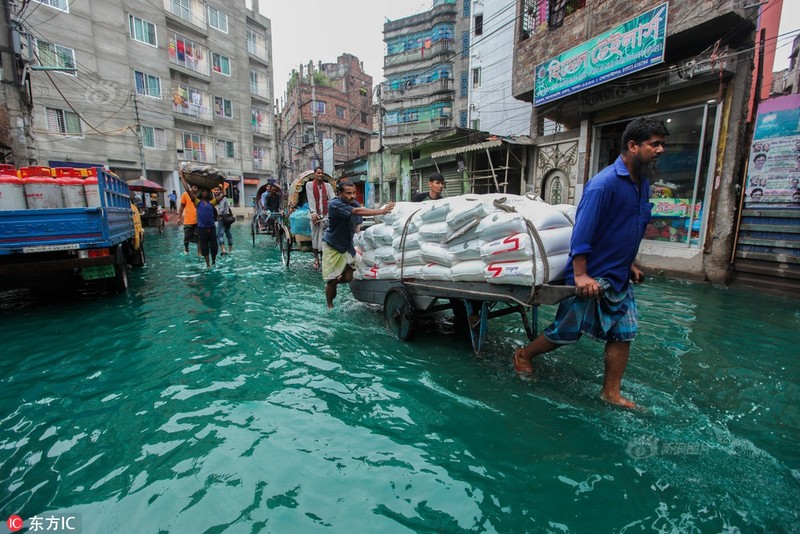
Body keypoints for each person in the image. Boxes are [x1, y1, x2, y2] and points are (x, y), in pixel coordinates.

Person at [512, 117, 669, 409]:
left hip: (618, 274)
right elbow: (583, 229)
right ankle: (523, 354)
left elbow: (629, 226)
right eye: (654, 144)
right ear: (633, 146)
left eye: (662, 144)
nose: (660, 149)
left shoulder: (642, 184)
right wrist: (580, 274)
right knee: (564, 332)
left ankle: (611, 392)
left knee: (624, 334)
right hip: (593, 275)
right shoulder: (604, 184)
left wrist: (631, 263)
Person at [322, 179, 395, 308]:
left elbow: (358, 216)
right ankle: (329, 305)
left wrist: (358, 231)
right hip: (333, 245)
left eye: (354, 193)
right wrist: (381, 211)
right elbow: (357, 212)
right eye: (349, 193)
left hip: (347, 245)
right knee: (331, 281)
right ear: (339, 193)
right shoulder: (334, 204)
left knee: (349, 277)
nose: (353, 196)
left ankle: (334, 282)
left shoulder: (353, 203)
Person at [180, 176, 225, 268]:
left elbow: (223, 194)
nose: (204, 193)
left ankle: (213, 262)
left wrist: (222, 183)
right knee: (204, 247)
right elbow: (188, 190)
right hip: (202, 228)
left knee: (214, 246)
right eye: (203, 191)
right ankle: (208, 264)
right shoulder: (197, 202)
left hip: (211, 227)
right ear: (201, 192)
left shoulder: (212, 202)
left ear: (208, 193)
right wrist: (182, 177)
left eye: (206, 191)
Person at [305, 167, 336, 270]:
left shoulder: (327, 186)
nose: (320, 175)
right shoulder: (309, 185)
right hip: (314, 215)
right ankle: (316, 259)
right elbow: (311, 199)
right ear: (314, 174)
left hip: (326, 215)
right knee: (314, 237)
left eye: (322, 173)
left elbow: (332, 199)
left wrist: (335, 209)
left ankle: (324, 259)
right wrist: (314, 212)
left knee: (325, 238)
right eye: (318, 173)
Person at [177, 183, 200, 255]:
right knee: (186, 237)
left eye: (197, 188)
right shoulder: (185, 194)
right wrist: (179, 218)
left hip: (198, 220)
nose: (196, 189)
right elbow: (181, 206)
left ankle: (199, 252)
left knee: (199, 237)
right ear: (191, 187)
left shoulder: (200, 195)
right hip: (188, 220)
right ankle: (186, 249)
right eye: (194, 187)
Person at [215, 186, 234, 255]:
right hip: (227, 218)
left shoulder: (222, 198)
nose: (216, 191)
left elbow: (222, 209)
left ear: (221, 191)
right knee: (228, 233)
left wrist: (218, 215)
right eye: (215, 190)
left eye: (218, 190)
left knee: (219, 235)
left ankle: (223, 250)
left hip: (222, 218)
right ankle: (230, 250)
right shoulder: (222, 198)